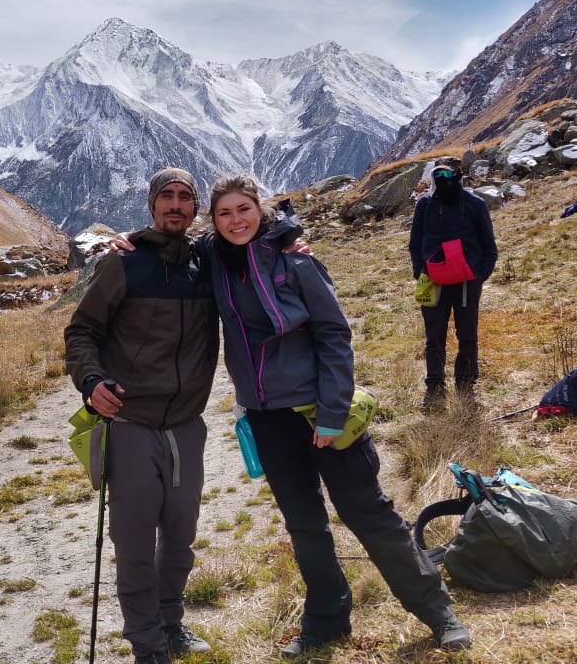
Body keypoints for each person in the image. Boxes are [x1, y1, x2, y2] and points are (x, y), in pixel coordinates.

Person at [205, 173, 472, 657]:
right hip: (268, 417)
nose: (235, 220)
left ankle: (438, 611)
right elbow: (166, 249)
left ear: (260, 210)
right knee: (304, 524)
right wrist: (127, 242)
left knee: (368, 513)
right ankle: (327, 622)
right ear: (214, 221)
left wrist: (331, 414)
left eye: (243, 208)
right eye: (224, 212)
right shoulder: (216, 265)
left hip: (319, 411)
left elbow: (334, 335)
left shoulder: (296, 262)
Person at [64, 168, 216, 664]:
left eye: (185, 198)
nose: (176, 205)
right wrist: (91, 382)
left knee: (181, 539)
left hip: (186, 426)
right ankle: (147, 645)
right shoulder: (123, 264)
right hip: (129, 425)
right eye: (166, 197)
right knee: (132, 544)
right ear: (152, 205)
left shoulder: (206, 265)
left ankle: (172, 624)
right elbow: (81, 332)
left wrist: (294, 242)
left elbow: (257, 235)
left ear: (196, 209)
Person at [408, 159, 498, 410]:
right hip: (432, 279)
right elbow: (415, 243)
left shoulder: (474, 204)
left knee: (467, 334)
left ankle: (466, 385)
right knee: (433, 335)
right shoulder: (425, 205)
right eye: (437, 173)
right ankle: (434, 386)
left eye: (447, 173)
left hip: (467, 281)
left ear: (459, 174)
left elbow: (489, 246)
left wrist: (480, 275)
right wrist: (421, 272)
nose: (442, 178)